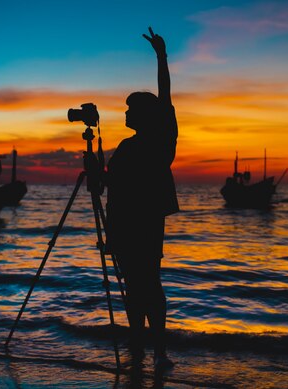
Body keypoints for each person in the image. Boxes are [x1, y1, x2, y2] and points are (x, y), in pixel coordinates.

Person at [105, 27, 179, 370]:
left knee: (148, 281)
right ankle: (138, 346)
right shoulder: (126, 146)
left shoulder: (161, 138)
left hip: (145, 220)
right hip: (121, 221)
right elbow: (109, 184)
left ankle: (159, 349)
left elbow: (165, 98)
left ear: (146, 114)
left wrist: (161, 57)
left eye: (130, 108)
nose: (125, 113)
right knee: (134, 286)